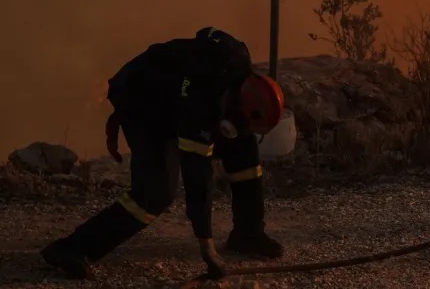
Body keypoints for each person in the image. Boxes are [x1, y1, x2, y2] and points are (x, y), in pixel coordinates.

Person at [41, 27, 286, 280]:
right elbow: (197, 180)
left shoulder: (236, 66)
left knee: (244, 151)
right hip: (143, 103)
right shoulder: (199, 104)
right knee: (155, 193)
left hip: (178, 100)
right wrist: (207, 247)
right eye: (240, 122)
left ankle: (248, 233)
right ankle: (72, 249)